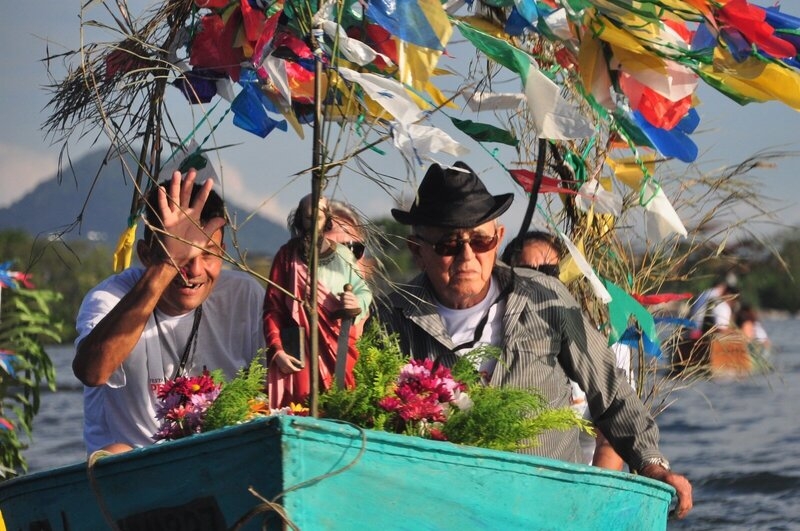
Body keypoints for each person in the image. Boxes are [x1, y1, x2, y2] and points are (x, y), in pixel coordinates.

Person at [381, 161, 692, 518]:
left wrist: (652, 465)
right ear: (417, 250)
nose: (468, 257)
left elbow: (609, 391)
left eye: (480, 241)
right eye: (449, 244)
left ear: (497, 239)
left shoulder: (546, 299)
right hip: (444, 508)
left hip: (546, 508)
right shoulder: (392, 315)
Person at [73, 170, 266, 454]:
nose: (194, 270)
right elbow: (92, 371)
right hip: (138, 469)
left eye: (208, 254)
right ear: (146, 254)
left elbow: (275, 388)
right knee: (116, 452)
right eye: (181, 256)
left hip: (216, 460)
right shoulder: (110, 298)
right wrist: (166, 265)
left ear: (224, 253)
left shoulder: (244, 295)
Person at [502, 230, 632, 471]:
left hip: (582, 478)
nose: (537, 281)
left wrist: (592, 495)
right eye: (526, 271)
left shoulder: (605, 342)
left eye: (548, 273)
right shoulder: (496, 338)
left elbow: (610, 439)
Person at [264, 194, 372, 409]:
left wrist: (355, 302)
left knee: (341, 401)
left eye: (320, 218)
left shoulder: (343, 256)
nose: (314, 224)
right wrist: (277, 349)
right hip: (300, 345)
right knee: (301, 404)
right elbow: (273, 307)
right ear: (299, 221)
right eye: (308, 218)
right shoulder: (287, 257)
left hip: (337, 342)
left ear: (327, 219)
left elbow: (363, 291)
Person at [686, 275, 739, 339]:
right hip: (703, 337)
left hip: (692, 333)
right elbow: (720, 329)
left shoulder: (705, 293)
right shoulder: (721, 304)